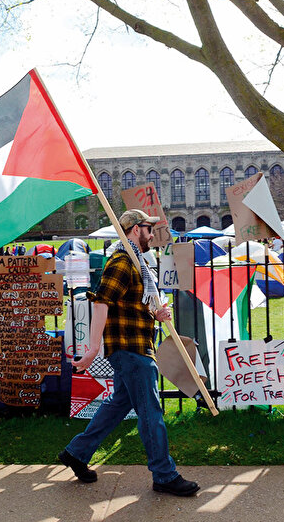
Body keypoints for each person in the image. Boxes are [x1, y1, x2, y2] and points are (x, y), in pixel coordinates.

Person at [58, 209, 199, 497]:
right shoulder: (122, 262)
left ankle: (76, 453)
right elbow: (101, 303)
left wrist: (156, 314)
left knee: (118, 405)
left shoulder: (137, 263)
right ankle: (164, 474)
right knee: (151, 412)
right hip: (130, 349)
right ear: (136, 229)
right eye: (149, 228)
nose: (152, 233)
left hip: (136, 345)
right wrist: (92, 348)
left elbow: (131, 305)